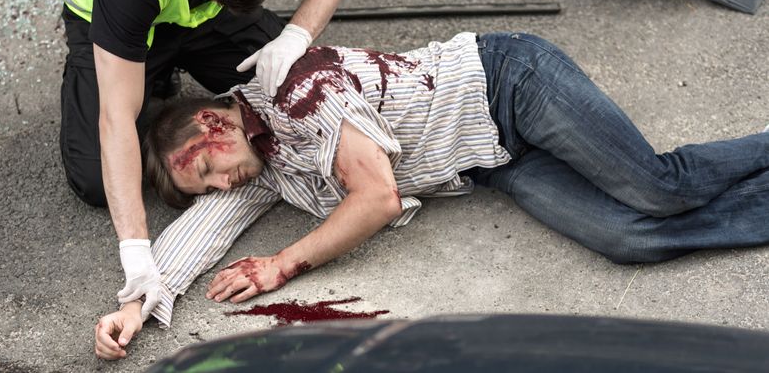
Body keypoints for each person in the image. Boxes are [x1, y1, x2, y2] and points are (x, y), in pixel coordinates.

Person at [92, 31, 769, 359]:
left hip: (513, 85)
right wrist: (135, 303)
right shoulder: (261, 165)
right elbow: (205, 230)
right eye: (206, 187)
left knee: (660, 189)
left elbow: (377, 198)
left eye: (208, 171)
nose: (221, 186)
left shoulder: (297, 90)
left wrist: (283, 264)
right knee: (628, 237)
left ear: (212, 124)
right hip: (494, 160)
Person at [54, 0, 361, 320]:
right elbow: (116, 116)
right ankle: (151, 74)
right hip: (118, 16)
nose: (223, 186)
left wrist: (295, 36)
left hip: (210, 15)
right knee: (97, 177)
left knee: (288, 92)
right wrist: (136, 252)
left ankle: (176, 64)